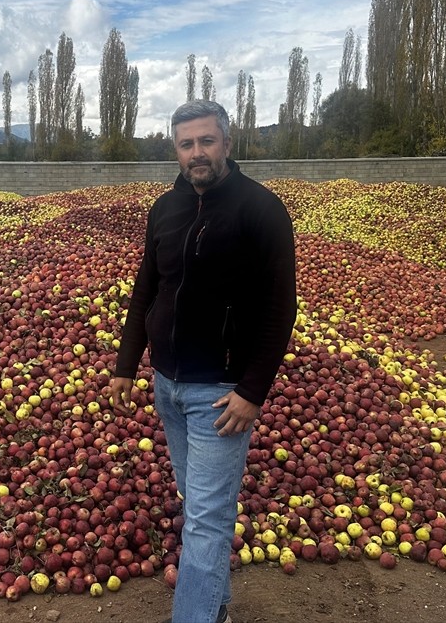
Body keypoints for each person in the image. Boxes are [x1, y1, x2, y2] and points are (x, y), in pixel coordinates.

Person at [106, 100, 297, 623]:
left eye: (207, 141)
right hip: (167, 385)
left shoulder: (261, 210)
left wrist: (252, 391)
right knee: (200, 509)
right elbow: (148, 287)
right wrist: (128, 364)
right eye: (187, 143)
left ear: (227, 145)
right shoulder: (164, 209)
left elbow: (281, 308)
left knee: (207, 523)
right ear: (176, 148)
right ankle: (215, 611)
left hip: (220, 394)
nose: (197, 153)